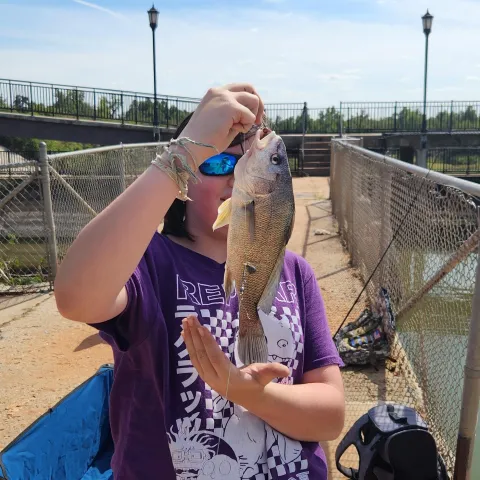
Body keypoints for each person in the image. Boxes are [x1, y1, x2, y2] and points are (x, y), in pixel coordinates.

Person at [54, 83, 345, 480]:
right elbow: (75, 296)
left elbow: (330, 417)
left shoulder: (295, 273)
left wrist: (245, 392)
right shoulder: (149, 263)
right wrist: (185, 151)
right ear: (184, 178)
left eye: (251, 164)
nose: (236, 175)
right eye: (219, 163)